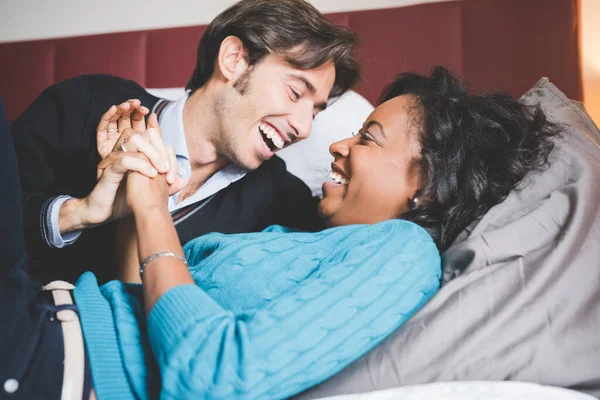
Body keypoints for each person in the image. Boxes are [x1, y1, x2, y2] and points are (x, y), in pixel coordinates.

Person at [1, 67, 561, 399]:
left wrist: (152, 210)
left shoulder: (402, 252)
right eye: (297, 95)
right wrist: (134, 192)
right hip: (45, 319)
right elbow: (138, 306)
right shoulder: (308, 237)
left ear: (429, 187)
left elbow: (215, 376)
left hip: (56, 362)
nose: (331, 142)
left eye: (367, 137)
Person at [11, 0, 360, 284]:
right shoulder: (83, 104)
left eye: (314, 112)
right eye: (296, 92)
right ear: (234, 59)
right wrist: (80, 213)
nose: (303, 129)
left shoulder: (283, 201)